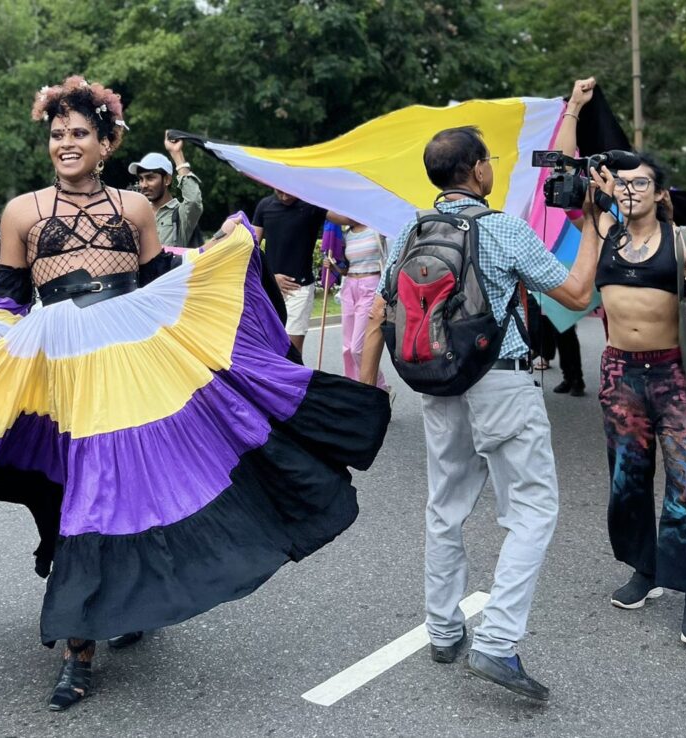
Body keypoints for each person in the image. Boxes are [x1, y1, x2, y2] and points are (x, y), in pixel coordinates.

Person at [0, 76, 391, 712]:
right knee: (71, 488)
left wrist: (221, 256)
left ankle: (95, 629)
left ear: (106, 143)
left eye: (79, 133)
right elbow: (7, 298)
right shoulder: (22, 211)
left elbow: (164, 283)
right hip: (52, 365)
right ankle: (80, 645)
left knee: (113, 489)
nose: (66, 144)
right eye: (57, 135)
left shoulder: (135, 209)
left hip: (126, 364)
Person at [360, 124, 605, 702]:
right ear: (475, 169)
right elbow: (575, 293)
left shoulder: (409, 232)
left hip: (438, 384)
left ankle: (445, 630)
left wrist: (366, 385)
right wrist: (592, 227)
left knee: (445, 507)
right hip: (501, 384)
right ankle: (496, 641)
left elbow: (380, 312)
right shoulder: (501, 229)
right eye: (488, 159)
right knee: (533, 509)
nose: (491, 166)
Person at [557, 77, 686, 649]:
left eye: (641, 182)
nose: (630, 190)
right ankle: (645, 569)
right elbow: (565, 171)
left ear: (660, 193)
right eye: (623, 183)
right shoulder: (604, 229)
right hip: (620, 374)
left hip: (674, 375)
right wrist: (575, 107)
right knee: (627, 482)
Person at [253, 190, 327, 354]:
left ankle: (296, 380)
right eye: (280, 192)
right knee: (268, 347)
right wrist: (271, 278)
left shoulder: (312, 205)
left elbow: (346, 217)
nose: (285, 197)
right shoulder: (265, 206)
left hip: (299, 289)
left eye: (289, 193)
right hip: (270, 288)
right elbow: (252, 248)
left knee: (291, 351)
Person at [322, 218, 389, 390]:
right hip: (350, 286)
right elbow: (345, 268)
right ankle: (355, 390)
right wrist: (333, 265)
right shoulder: (345, 235)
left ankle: (381, 388)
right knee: (347, 349)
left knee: (358, 348)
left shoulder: (377, 229)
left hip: (371, 284)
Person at [129, 134, 203, 248]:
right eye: (141, 179)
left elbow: (193, 201)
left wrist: (177, 154)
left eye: (150, 178)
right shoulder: (138, 213)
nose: (143, 185)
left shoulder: (180, 213)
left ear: (167, 179)